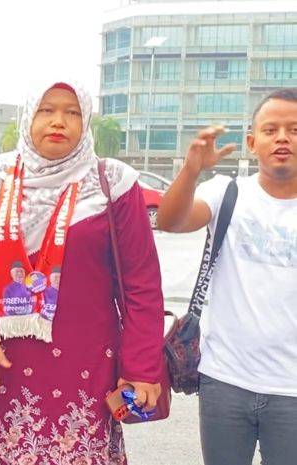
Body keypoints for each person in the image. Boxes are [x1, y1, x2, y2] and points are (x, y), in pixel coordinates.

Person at [0, 81, 165, 464]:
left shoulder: (112, 184)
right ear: (28, 116)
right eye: (47, 110)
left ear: (86, 120)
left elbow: (141, 283)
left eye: (72, 112)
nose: (58, 121)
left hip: (86, 367)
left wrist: (142, 368)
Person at [157, 88, 297, 465]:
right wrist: (191, 170)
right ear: (253, 142)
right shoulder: (227, 192)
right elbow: (169, 221)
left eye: (294, 129)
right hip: (225, 380)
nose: (282, 137)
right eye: (271, 130)